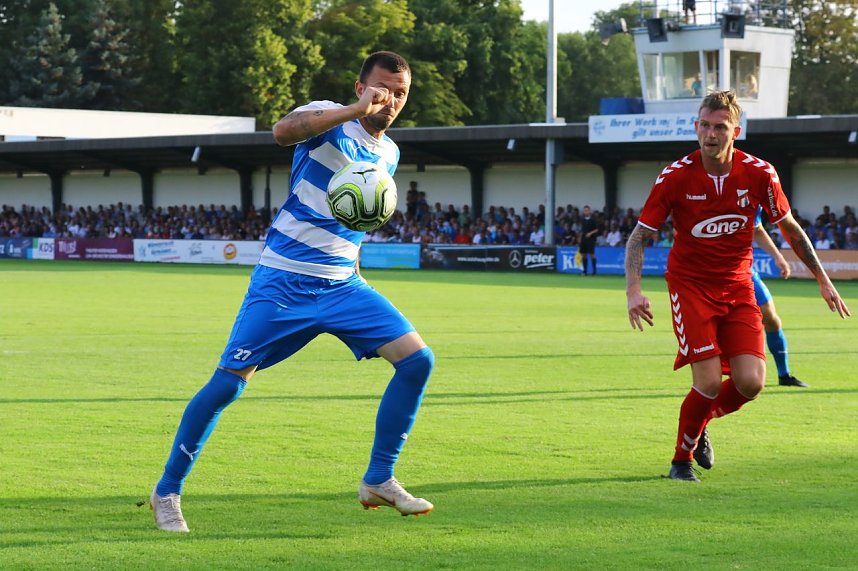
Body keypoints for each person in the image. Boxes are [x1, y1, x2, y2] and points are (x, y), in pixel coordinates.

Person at [149, 51, 435, 532]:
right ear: (360, 85)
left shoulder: (391, 153)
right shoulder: (328, 117)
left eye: (399, 93)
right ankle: (167, 492)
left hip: (343, 284)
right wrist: (354, 110)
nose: (389, 101)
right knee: (227, 385)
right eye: (381, 89)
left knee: (417, 360)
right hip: (283, 279)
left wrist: (353, 265)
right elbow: (283, 132)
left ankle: (379, 479)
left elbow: (354, 221)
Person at [625, 90, 850, 483]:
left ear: (736, 131)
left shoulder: (760, 173)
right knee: (709, 381)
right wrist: (633, 291)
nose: (710, 134)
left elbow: (790, 229)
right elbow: (639, 236)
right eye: (705, 126)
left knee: (750, 383)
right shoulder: (675, 176)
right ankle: (681, 461)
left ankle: (701, 419)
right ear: (696, 127)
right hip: (690, 286)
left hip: (738, 286)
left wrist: (823, 281)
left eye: (720, 127)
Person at [752, 211, 808, 387]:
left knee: (771, 319)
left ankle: (784, 375)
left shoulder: (748, 194)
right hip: (707, 270)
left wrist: (778, 257)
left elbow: (757, 229)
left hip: (742, 269)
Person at [579, 205, 600, 275]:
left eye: (587, 210)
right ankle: (585, 271)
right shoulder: (582, 220)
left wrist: (590, 233)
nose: (586, 212)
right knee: (584, 254)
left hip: (591, 239)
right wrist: (579, 238)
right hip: (583, 239)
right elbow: (581, 230)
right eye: (585, 210)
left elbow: (596, 229)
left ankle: (594, 271)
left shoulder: (593, 220)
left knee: (592, 254)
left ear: (589, 211)